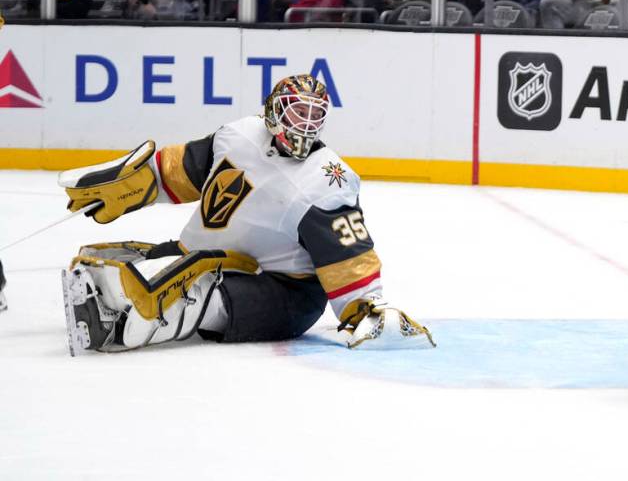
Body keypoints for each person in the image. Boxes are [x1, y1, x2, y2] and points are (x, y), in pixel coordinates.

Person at [59, 74, 434, 354]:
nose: (304, 124)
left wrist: (366, 308)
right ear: (273, 110)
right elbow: (182, 170)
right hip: (204, 255)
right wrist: (134, 185)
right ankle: (118, 295)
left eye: (313, 115)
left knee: (200, 289)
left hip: (282, 294)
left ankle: (123, 324)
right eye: (296, 112)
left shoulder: (326, 181)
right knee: (131, 261)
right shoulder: (238, 134)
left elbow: (345, 252)